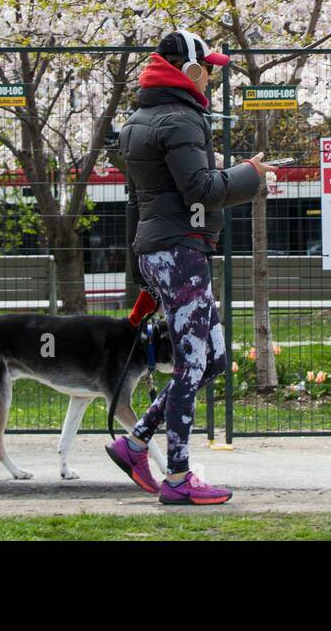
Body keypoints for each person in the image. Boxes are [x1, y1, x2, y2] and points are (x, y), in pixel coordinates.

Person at [106, 30, 274, 505]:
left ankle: (135, 441)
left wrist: (144, 268)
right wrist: (251, 176)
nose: (215, 77)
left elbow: (142, 199)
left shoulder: (140, 118)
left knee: (213, 359)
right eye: (211, 69)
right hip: (180, 251)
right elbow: (201, 188)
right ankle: (178, 478)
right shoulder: (180, 119)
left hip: (161, 250)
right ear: (192, 71)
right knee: (192, 363)